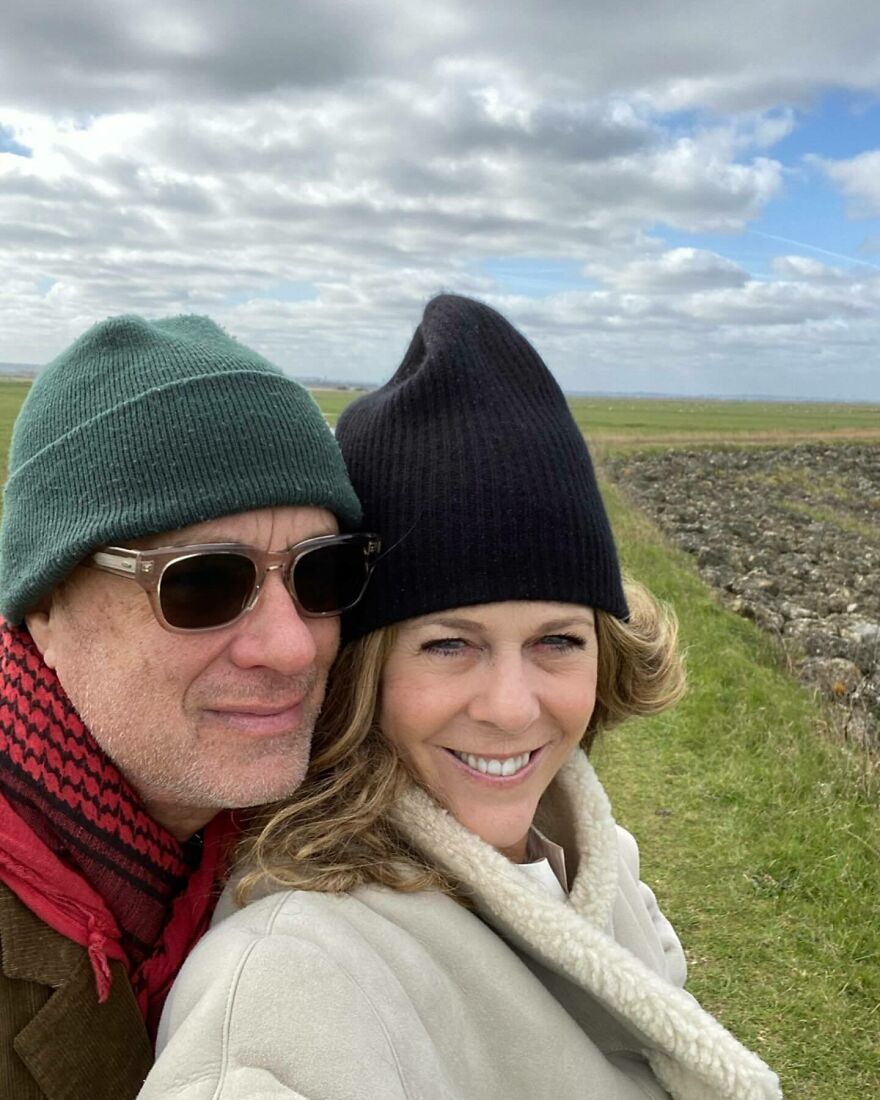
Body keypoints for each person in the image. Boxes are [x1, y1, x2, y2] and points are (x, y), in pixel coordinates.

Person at [140, 296, 782, 1099]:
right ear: (362, 673)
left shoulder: (587, 846)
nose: (513, 709)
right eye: (449, 645)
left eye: (558, 640)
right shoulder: (289, 975)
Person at [0, 314, 380, 1100]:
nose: (293, 647)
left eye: (321, 575)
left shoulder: (310, 817)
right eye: (204, 582)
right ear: (43, 600)